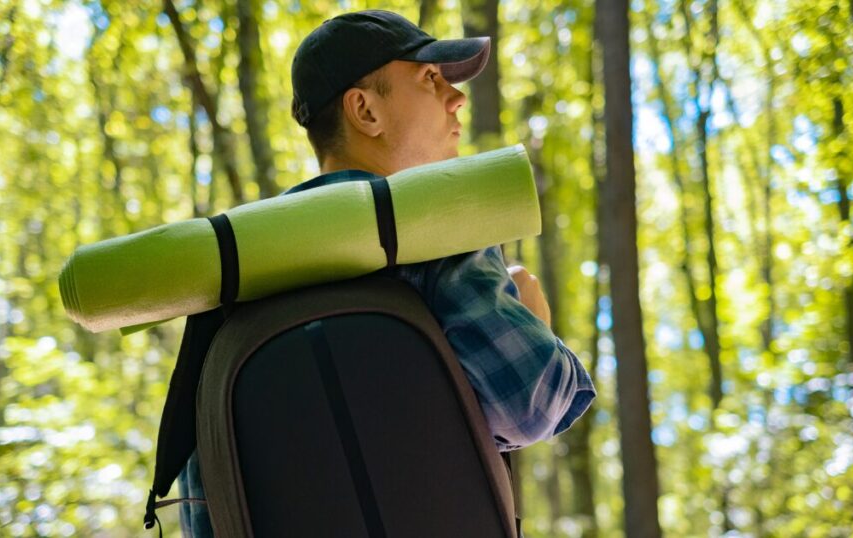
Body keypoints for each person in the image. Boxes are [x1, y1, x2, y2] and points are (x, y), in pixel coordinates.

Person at [177, 9, 596, 536]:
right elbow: (528, 404)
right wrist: (534, 320)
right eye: (430, 79)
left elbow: (204, 508)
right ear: (365, 111)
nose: (457, 97)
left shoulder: (230, 277)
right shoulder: (441, 235)